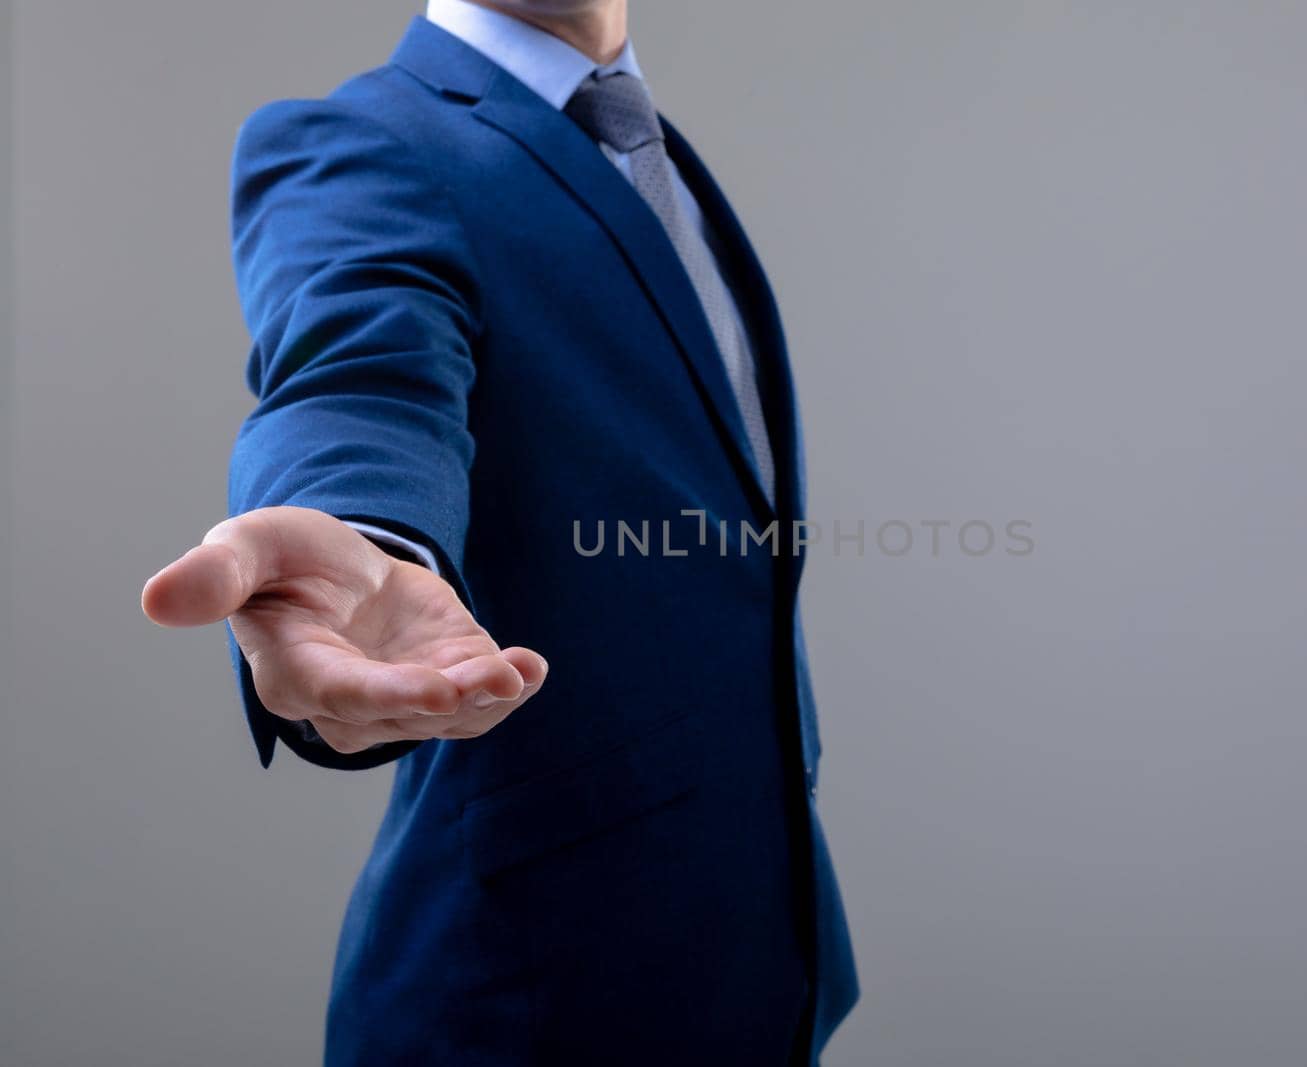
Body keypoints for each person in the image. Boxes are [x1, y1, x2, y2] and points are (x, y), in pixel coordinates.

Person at [139, 1, 858, 1061]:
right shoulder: (364, 142)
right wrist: (366, 532)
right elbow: (359, 373)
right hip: (530, 998)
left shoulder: (649, 147)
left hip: (754, 956)